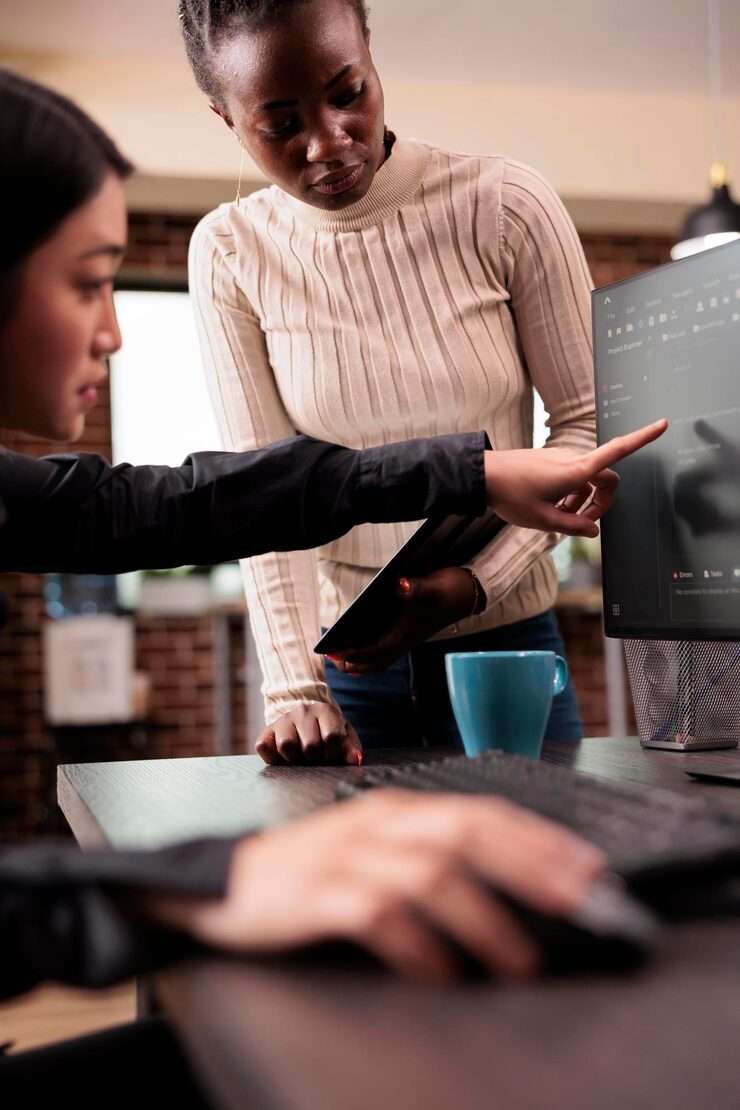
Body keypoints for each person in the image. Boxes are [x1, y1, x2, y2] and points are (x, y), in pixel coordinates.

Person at [0, 67, 665, 1104]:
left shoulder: (499, 200)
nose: (115, 329)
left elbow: (175, 504)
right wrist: (196, 881)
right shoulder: (233, 248)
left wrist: (477, 475)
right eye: (88, 281)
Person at [181, 0, 604, 764]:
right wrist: (295, 690)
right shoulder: (230, 251)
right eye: (280, 125)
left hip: (506, 647)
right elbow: (260, 495)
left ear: (371, 56)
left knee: (538, 876)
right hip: (348, 671)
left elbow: (584, 431)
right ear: (226, 119)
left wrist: (477, 583)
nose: (329, 141)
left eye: (349, 93)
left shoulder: (506, 205)